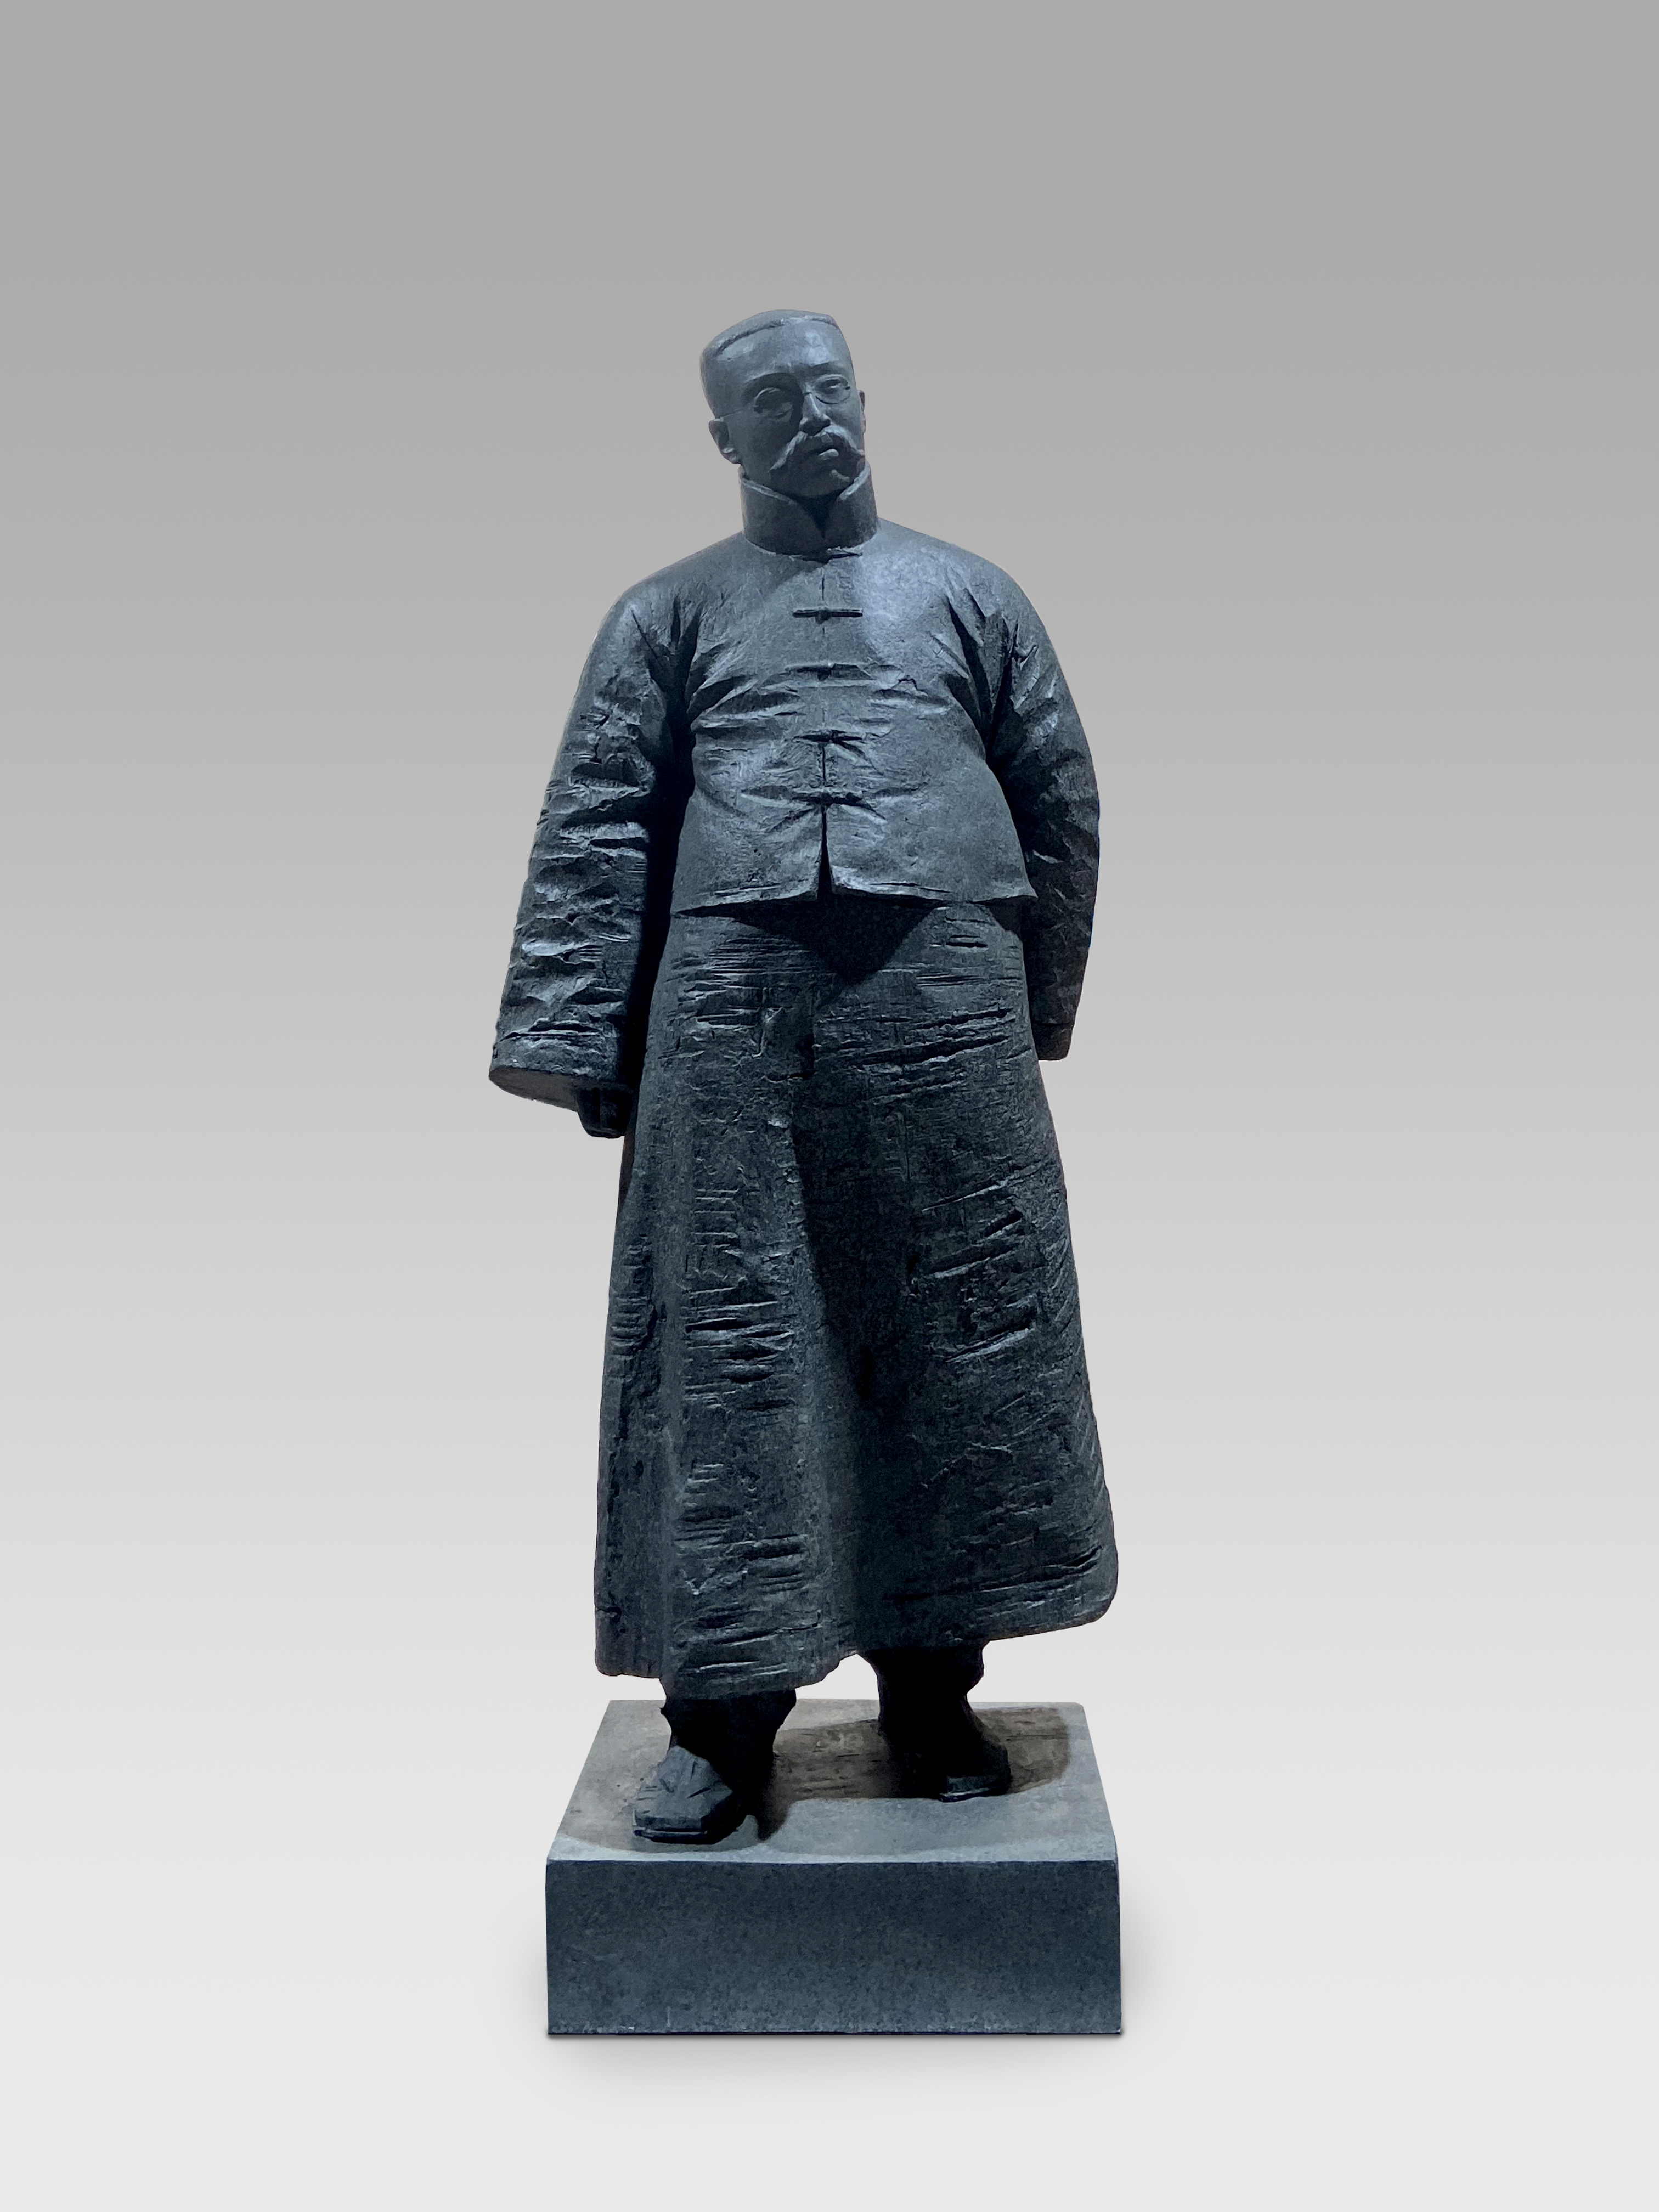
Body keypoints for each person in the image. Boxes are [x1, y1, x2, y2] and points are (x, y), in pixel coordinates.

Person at [492, 311, 1116, 1841]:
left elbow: (1059, 796)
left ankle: (932, 1686)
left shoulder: (969, 594)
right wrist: (583, 1035)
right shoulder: (668, 611)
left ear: (865, 400)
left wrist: (1034, 1004)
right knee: (732, 1343)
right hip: (732, 1017)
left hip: (944, 995)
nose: (815, 417)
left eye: (832, 388)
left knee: (957, 1336)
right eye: (775, 400)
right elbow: (600, 814)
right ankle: (721, 1715)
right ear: (726, 436)